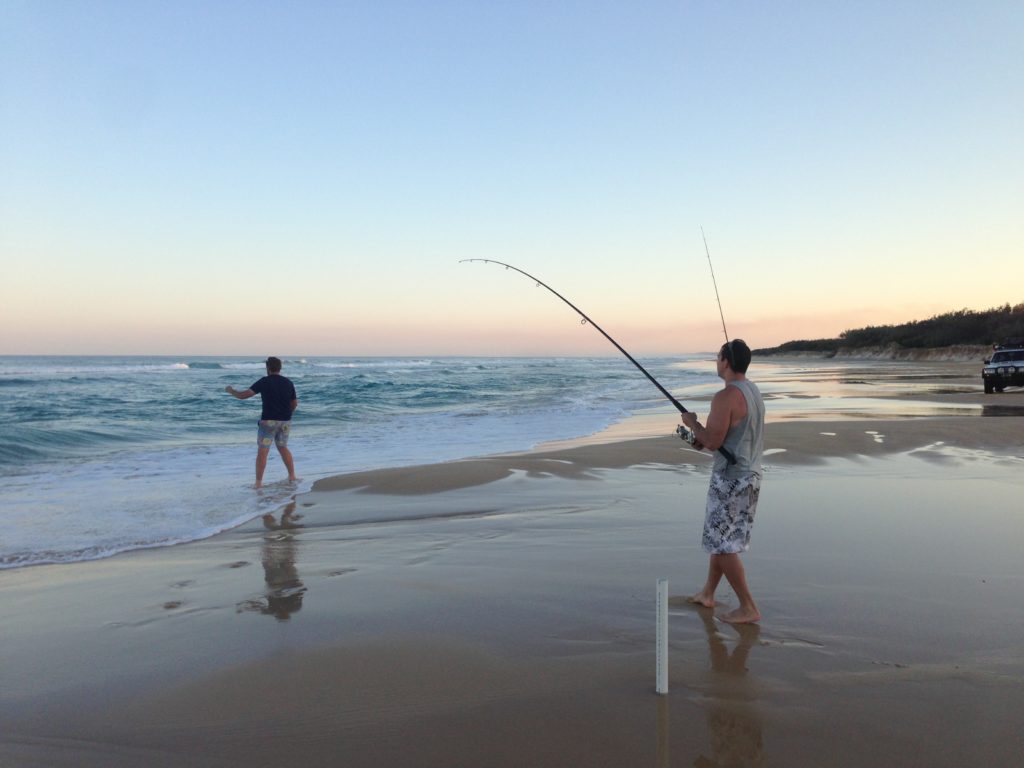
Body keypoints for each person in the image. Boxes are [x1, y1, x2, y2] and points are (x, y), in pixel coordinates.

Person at [680, 339, 765, 624]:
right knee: (720, 540)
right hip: (750, 475)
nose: (717, 361)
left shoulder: (726, 396)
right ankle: (708, 593)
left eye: (718, 357)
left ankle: (748, 606)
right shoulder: (753, 391)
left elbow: (713, 440)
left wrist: (692, 423)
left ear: (726, 362)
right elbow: (721, 439)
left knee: (724, 544)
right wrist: (699, 437)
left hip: (730, 480)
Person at [225, 356, 298, 489]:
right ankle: (292, 476)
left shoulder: (264, 381)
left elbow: (244, 395)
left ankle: (258, 483)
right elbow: (294, 403)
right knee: (283, 447)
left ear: (268, 368)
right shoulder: (288, 382)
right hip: (285, 421)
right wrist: (288, 415)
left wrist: (231, 391)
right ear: (280, 368)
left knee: (263, 451)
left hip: (268, 422)